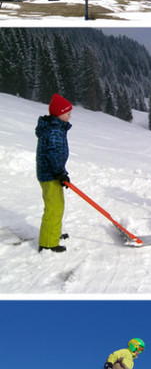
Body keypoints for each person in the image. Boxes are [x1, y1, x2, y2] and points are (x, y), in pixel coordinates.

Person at [35, 93, 73, 253]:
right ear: (59, 114)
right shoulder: (53, 131)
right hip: (50, 175)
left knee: (57, 205)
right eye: (68, 113)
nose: (70, 116)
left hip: (52, 173)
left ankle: (53, 233)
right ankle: (48, 243)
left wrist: (60, 173)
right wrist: (60, 173)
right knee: (54, 208)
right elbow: (54, 154)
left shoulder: (55, 127)